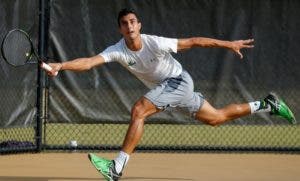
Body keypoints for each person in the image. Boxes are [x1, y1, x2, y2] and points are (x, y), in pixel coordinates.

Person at [45, 8, 296, 181]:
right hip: (172, 89)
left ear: (139, 25)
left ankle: (116, 167)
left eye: (133, 21)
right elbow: (89, 62)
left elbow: (194, 41)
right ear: (120, 29)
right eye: (125, 23)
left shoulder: (154, 42)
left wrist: (228, 44)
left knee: (139, 110)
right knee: (216, 117)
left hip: (178, 81)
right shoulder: (117, 50)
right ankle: (268, 104)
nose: (129, 26)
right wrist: (61, 65)